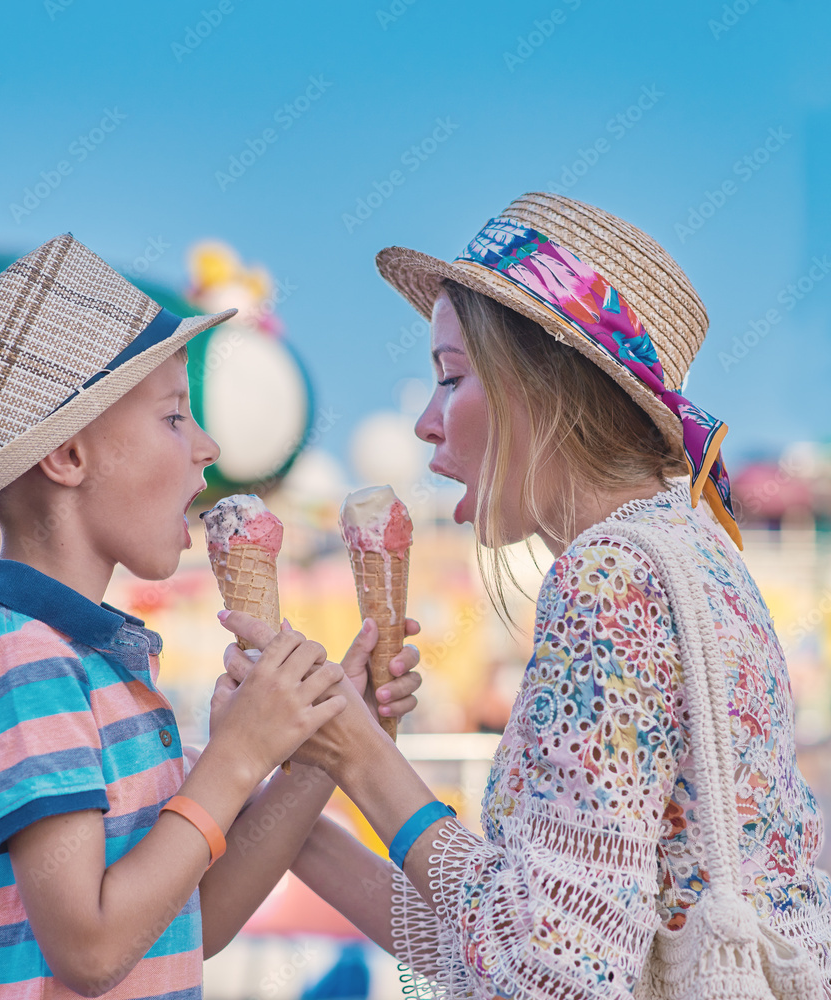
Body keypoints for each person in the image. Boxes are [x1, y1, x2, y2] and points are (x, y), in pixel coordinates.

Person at [221, 193, 831, 997]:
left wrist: (359, 755)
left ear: (538, 386)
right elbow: (484, 946)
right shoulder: (701, 558)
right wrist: (292, 796)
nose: (426, 425)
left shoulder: (610, 576)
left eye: (450, 378)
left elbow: (552, 971)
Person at [0, 234, 423, 999]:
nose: (207, 447)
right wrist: (236, 756)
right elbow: (93, 946)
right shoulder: (17, 659)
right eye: (175, 417)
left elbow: (190, 920)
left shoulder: (97, 662)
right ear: (69, 456)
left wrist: (326, 738)